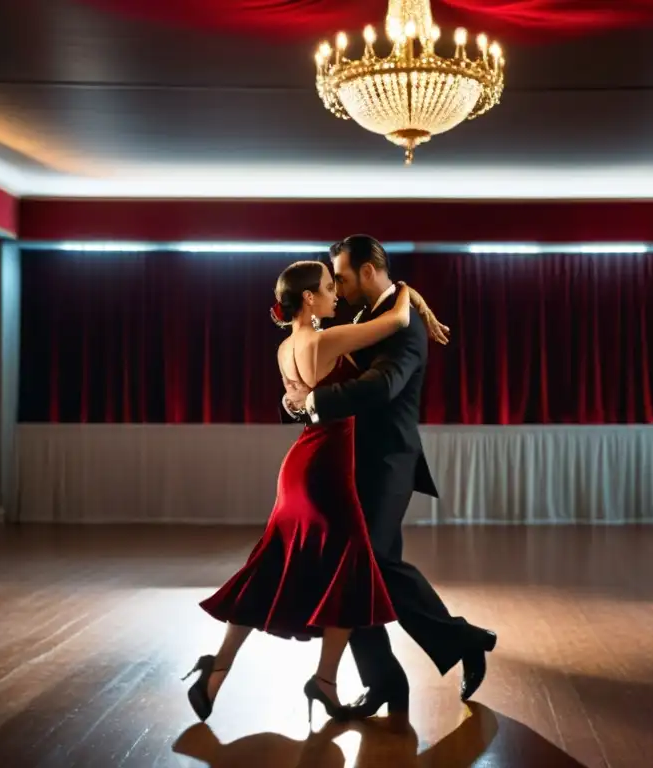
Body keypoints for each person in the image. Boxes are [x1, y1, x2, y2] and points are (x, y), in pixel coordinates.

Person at [183, 260, 432, 726]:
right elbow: (395, 322)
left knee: (271, 567)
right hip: (326, 470)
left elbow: (300, 403)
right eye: (327, 287)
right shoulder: (324, 340)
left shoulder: (284, 349)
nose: (336, 293)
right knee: (350, 570)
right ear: (309, 300)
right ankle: (325, 681)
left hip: (299, 465)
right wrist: (406, 291)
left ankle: (216, 670)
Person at [283, 235, 497, 719]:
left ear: (366, 271)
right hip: (348, 462)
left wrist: (316, 403)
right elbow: (328, 370)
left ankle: (458, 642)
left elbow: (383, 385)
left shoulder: (406, 329)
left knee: (368, 563)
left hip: (387, 462)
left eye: (339, 276)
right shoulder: (366, 318)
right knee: (359, 570)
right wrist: (296, 401)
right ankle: (388, 679)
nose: (335, 285)